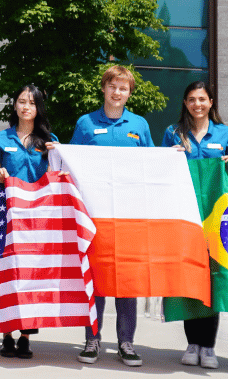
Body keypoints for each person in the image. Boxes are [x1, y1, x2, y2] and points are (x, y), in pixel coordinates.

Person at [71, 65, 149, 367]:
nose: (117, 92)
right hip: (94, 214)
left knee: (126, 278)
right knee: (98, 277)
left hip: (128, 215)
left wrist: (172, 157)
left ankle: (126, 342)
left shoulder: (139, 125)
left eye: (123, 88)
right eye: (113, 86)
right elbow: (72, 160)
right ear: (103, 88)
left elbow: (149, 163)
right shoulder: (86, 123)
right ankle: (92, 339)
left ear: (129, 93)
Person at [162, 81, 228, 370]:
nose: (197, 104)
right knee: (189, 276)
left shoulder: (225, 134)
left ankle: (209, 346)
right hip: (185, 215)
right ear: (185, 103)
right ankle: (192, 343)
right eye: (191, 99)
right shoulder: (173, 133)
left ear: (211, 102)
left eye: (202, 99)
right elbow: (162, 169)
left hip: (216, 219)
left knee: (213, 277)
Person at [0, 84, 60, 360]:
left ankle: (27, 335)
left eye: (31, 102)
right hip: (7, 215)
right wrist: (0, 174)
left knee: (33, 275)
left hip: (38, 217)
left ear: (38, 107)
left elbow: (57, 176)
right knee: (8, 272)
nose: (26, 106)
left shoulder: (48, 140)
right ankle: (6, 334)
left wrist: (56, 158)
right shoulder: (1, 138)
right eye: (21, 101)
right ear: (14, 105)